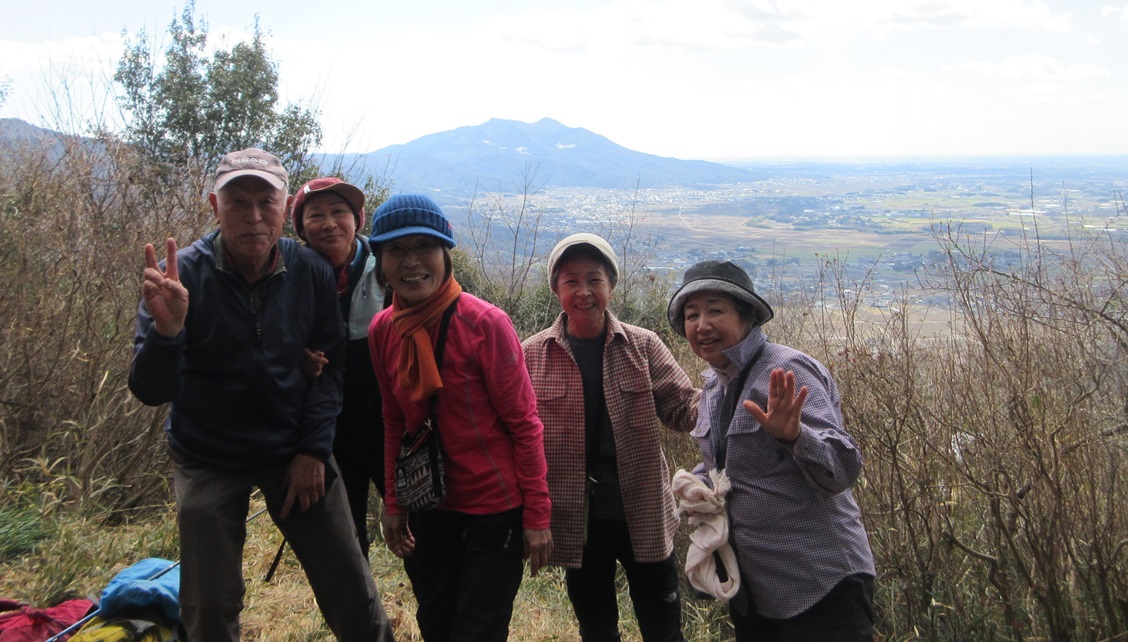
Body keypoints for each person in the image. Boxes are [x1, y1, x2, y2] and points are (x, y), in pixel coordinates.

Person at [128, 148, 396, 642]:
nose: (253, 216)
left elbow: (331, 367)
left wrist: (313, 449)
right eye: (238, 202)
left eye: (265, 202)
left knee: (351, 588)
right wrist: (168, 333)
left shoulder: (309, 271)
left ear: (284, 206)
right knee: (208, 604)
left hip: (292, 444)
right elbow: (150, 390)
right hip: (207, 451)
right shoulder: (180, 277)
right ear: (215, 206)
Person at [367, 193, 552, 641]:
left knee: (478, 630)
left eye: (424, 247)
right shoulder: (383, 330)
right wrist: (394, 503)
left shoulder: (485, 324)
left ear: (446, 253)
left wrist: (537, 516)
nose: (411, 262)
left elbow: (525, 425)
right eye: (396, 250)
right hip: (428, 503)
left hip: (494, 507)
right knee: (436, 622)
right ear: (381, 262)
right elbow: (393, 420)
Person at [667, 259, 876, 642]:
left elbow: (843, 470)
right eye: (691, 315)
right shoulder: (713, 388)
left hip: (819, 583)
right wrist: (698, 483)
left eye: (715, 310)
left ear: (747, 316)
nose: (701, 325)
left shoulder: (786, 371)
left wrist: (795, 436)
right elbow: (739, 468)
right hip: (756, 590)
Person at [522, 234, 700, 642]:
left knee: (663, 626)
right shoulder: (532, 354)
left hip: (642, 509)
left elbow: (683, 407)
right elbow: (517, 435)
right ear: (555, 290)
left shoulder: (643, 345)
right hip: (576, 518)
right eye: (571, 281)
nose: (583, 292)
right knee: (596, 626)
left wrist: (731, 395)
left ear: (612, 286)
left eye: (594, 280)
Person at [291, 176, 386, 557]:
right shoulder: (290, 274)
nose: (329, 223)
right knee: (345, 531)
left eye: (339, 212)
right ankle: (359, 592)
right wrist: (295, 354)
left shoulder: (384, 266)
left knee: (415, 519)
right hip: (327, 425)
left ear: (357, 220)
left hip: (385, 418)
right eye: (316, 215)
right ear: (301, 227)